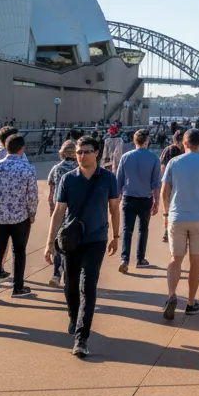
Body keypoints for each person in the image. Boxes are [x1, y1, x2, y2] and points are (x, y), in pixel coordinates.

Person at [43, 135, 121, 358]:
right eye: (79, 152)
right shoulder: (68, 179)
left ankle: (82, 337)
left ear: (97, 153)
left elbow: (114, 208)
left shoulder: (108, 178)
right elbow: (58, 211)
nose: (82, 156)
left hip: (96, 239)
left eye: (86, 151)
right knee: (70, 285)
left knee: (88, 285)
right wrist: (49, 242)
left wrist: (115, 236)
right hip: (71, 239)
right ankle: (73, 316)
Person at [161, 129, 199, 321]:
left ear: (184, 143)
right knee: (196, 261)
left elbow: (165, 192)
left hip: (177, 216)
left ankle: (171, 295)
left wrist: (166, 213)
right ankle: (191, 302)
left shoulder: (173, 162)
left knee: (175, 258)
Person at [0, 133, 39, 302]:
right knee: (19, 252)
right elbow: (32, 197)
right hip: (20, 218)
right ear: (22, 149)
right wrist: (32, 215)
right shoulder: (28, 169)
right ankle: (18, 287)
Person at [116, 128, 161, 273]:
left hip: (128, 197)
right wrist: (157, 201)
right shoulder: (153, 158)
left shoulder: (126, 157)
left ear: (134, 141)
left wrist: (117, 198)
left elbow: (119, 180)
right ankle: (140, 258)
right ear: (147, 141)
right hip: (145, 199)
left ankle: (124, 259)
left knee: (127, 230)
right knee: (143, 229)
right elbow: (156, 183)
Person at [45, 140, 77, 288]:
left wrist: (53, 212)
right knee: (74, 244)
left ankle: (56, 274)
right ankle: (70, 276)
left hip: (59, 210)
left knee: (58, 244)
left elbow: (51, 193)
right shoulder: (80, 168)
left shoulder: (56, 169)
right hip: (76, 212)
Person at [159, 129, 187, 243]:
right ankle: (178, 232)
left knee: (168, 208)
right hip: (181, 185)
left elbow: (162, 167)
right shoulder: (186, 152)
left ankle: (167, 231)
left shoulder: (167, 149)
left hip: (169, 183)